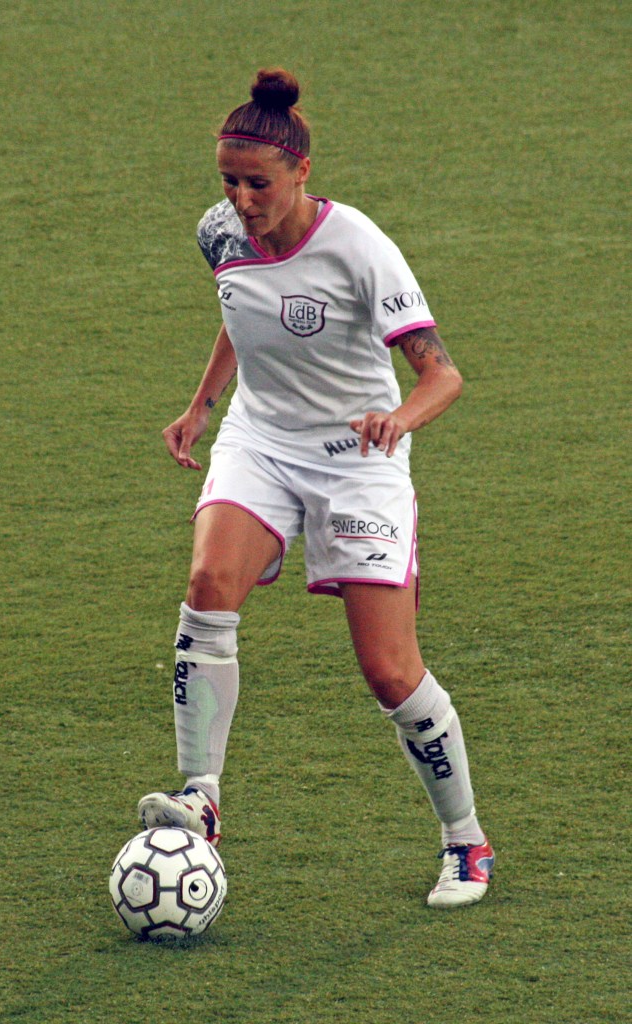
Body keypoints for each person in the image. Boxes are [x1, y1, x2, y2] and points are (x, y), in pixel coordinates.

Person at [138, 68, 494, 908]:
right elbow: (242, 313)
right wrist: (202, 406)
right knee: (207, 585)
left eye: (258, 184)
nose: (242, 199)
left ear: (301, 171)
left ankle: (466, 842)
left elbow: (442, 375)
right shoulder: (219, 232)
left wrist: (398, 420)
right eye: (229, 181)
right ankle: (201, 796)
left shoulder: (360, 246)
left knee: (390, 672)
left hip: (355, 457)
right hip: (260, 441)